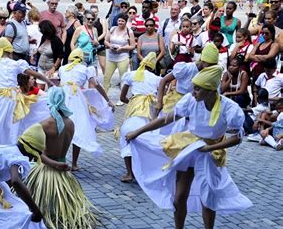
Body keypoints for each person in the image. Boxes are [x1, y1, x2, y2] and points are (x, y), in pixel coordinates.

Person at [126, 65, 252, 229]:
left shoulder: (229, 108)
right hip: (189, 148)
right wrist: (139, 131)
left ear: (210, 90)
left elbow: (236, 137)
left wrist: (210, 147)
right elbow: (166, 119)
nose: (193, 92)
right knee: (179, 196)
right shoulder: (190, 101)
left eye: (197, 88)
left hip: (209, 152)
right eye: (193, 87)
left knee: (207, 197)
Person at [26, 87, 98, 229]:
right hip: (62, 172)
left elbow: (39, 154)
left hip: (46, 171)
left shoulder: (44, 124)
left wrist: (54, 164)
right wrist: (60, 164)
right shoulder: (71, 123)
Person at [0, 38, 54, 153]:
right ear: (10, 51)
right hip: (13, 97)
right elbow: (35, 74)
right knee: (13, 124)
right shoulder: (16, 64)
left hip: (0, 98)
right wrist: (48, 81)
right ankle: (12, 149)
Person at [58, 49, 113, 170]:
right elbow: (97, 85)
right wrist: (108, 100)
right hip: (77, 99)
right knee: (79, 128)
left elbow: (58, 83)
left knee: (61, 129)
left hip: (62, 98)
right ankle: (74, 163)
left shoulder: (63, 68)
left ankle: (60, 159)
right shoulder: (85, 69)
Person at [119, 53, 161, 183]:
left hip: (134, 110)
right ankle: (146, 171)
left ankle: (129, 173)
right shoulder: (157, 79)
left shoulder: (131, 75)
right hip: (150, 111)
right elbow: (160, 101)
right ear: (153, 66)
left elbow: (122, 97)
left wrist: (132, 102)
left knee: (126, 138)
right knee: (149, 140)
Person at [156, 43, 219, 117]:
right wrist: (159, 102)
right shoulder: (187, 68)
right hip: (177, 101)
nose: (212, 68)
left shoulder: (210, 74)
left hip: (195, 103)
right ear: (203, 61)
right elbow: (164, 80)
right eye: (210, 65)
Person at [103, 12, 135, 95]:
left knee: (123, 78)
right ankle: (104, 96)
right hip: (111, 57)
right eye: (119, 21)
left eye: (122, 21)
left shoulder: (129, 31)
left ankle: (122, 97)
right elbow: (106, 40)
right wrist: (110, 46)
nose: (120, 23)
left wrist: (122, 48)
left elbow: (132, 46)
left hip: (123, 57)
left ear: (126, 22)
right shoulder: (113, 29)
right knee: (106, 77)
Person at [248, 24, 280, 102]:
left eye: (266, 33)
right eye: (262, 33)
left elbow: (269, 56)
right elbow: (250, 56)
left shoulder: (274, 45)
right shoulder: (259, 44)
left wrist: (256, 57)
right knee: (255, 93)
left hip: (266, 72)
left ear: (272, 34)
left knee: (265, 94)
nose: (264, 35)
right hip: (256, 72)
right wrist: (262, 57)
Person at [160, 4, 181, 71]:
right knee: (165, 71)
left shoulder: (182, 23)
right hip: (166, 52)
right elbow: (159, 36)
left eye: (175, 9)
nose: (173, 11)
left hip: (179, 52)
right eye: (172, 9)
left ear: (179, 11)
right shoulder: (164, 22)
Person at [90, 5, 108, 74]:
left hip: (100, 44)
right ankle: (95, 81)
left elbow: (104, 33)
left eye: (96, 12)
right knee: (93, 66)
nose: (94, 13)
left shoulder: (102, 21)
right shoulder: (89, 21)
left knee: (103, 65)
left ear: (98, 12)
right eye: (92, 12)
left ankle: (106, 80)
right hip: (91, 45)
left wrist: (96, 40)